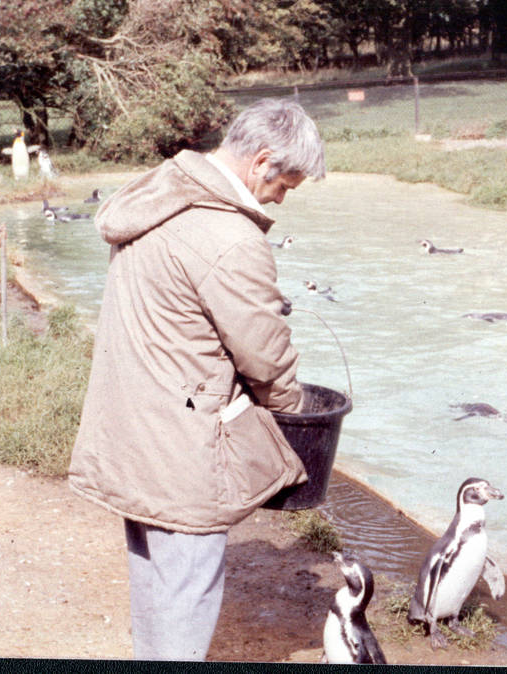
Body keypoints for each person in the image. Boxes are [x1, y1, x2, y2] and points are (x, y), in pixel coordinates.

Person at [68, 97, 325, 660]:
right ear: (262, 162)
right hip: (183, 446)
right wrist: (294, 404)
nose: (282, 198)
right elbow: (265, 357)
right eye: (286, 184)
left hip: (132, 425)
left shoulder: (156, 197)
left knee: (153, 582)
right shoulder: (230, 237)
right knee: (187, 591)